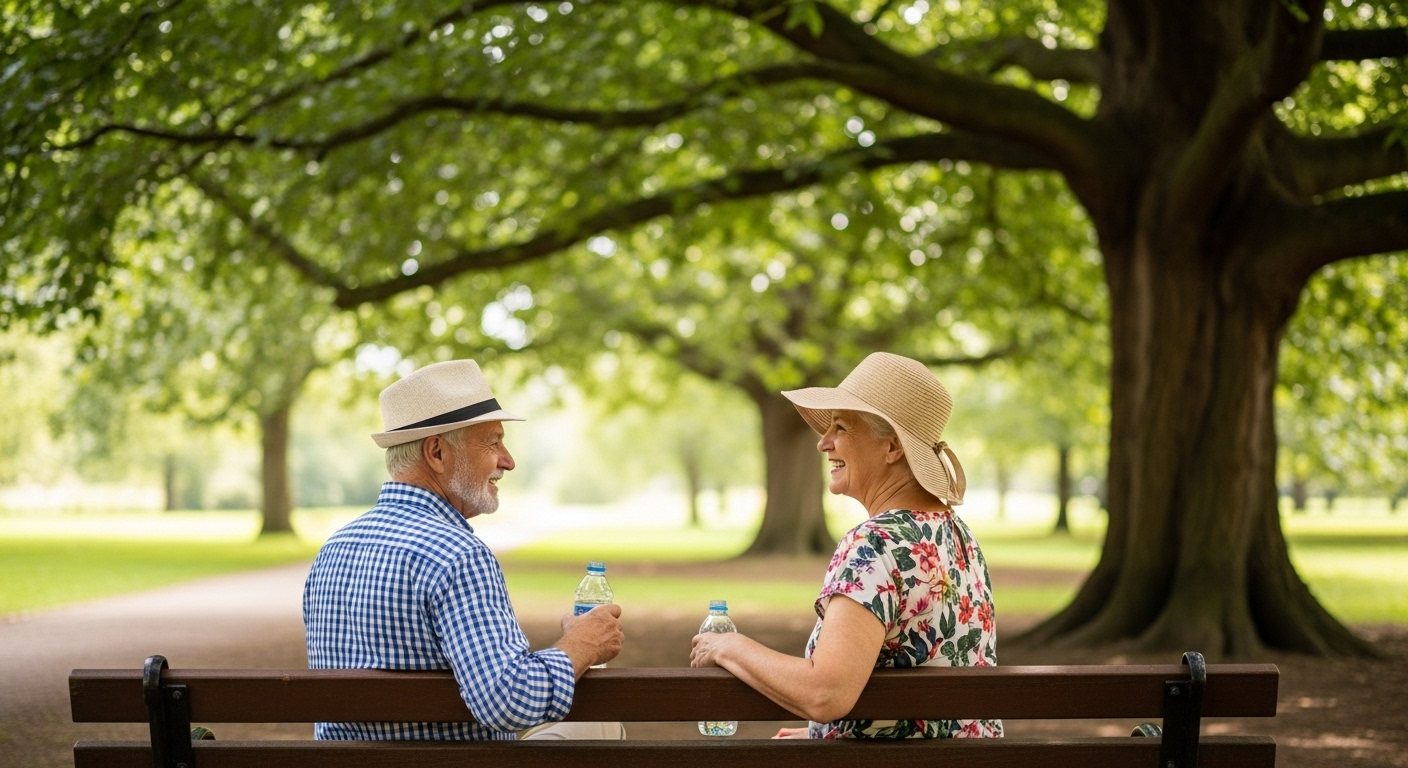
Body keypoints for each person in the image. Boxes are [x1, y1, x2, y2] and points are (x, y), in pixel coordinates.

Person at [303, 359, 625, 740]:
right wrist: (580, 645)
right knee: (601, 728)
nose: (508, 460)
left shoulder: (334, 548)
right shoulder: (456, 554)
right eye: (493, 442)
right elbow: (508, 700)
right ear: (437, 453)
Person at [690, 352, 1003, 739]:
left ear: (891, 448)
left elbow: (826, 694)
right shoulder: (959, 537)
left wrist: (729, 647)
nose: (823, 443)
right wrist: (822, 734)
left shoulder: (876, 542)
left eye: (840, 427)